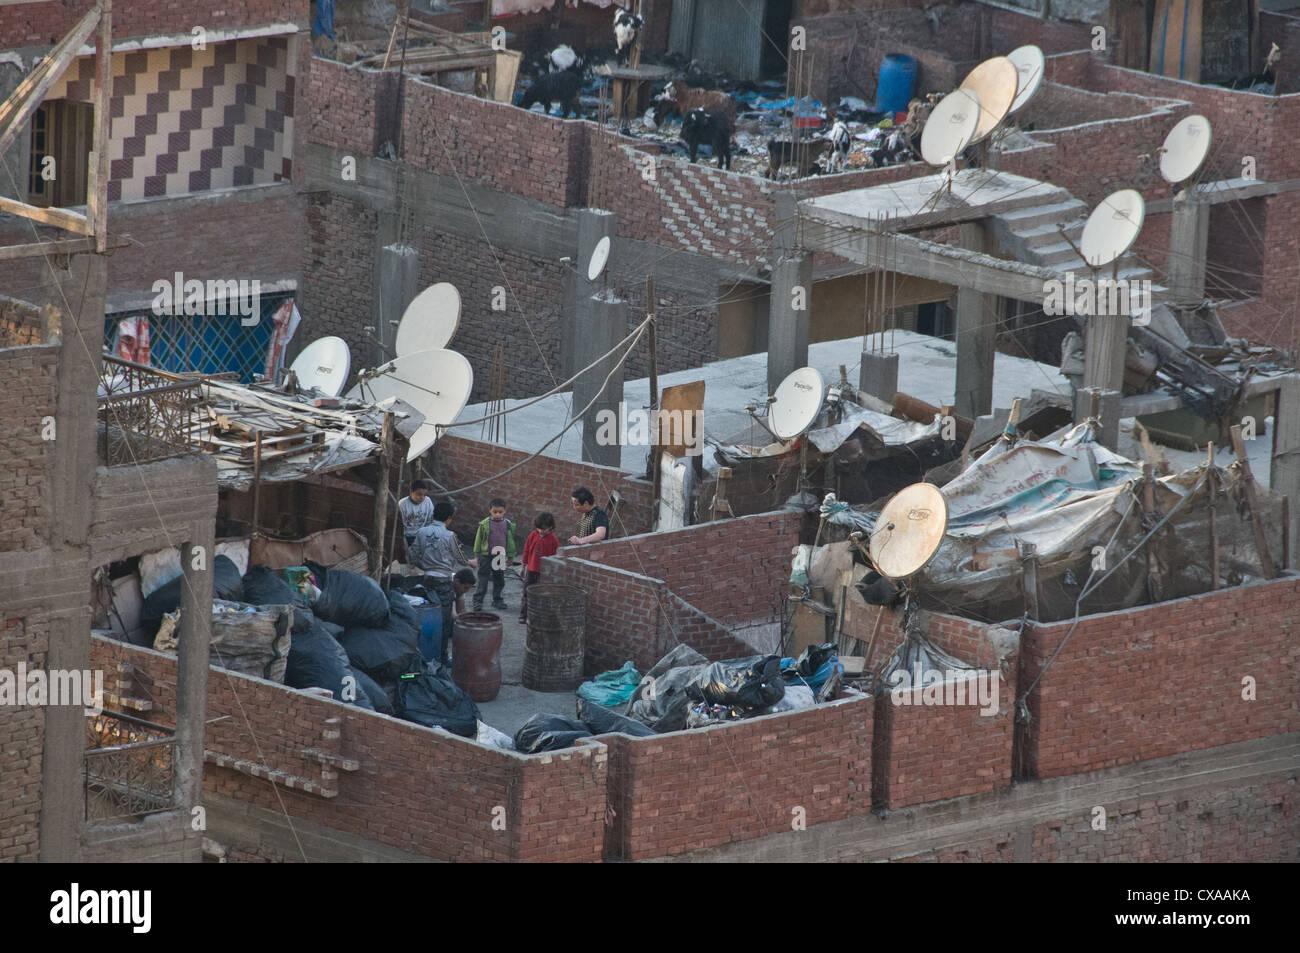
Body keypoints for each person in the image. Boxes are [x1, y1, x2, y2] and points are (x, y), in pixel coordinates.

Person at [408, 501, 478, 663]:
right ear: (449, 519)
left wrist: (425, 565)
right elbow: (460, 558)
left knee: (427, 618)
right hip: (443, 582)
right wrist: (470, 562)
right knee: (444, 622)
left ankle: (423, 656)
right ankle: (441, 658)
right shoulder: (449, 536)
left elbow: (412, 557)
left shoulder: (421, 532)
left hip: (427, 580)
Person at [472, 498, 518, 612]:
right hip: (485, 555)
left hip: (500, 556)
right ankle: (478, 601)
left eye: (500, 512)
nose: (497, 514)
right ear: (490, 511)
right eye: (495, 512)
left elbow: (510, 541)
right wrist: (476, 556)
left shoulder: (507, 524)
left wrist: (511, 556)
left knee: (499, 578)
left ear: (505, 511)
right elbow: (478, 540)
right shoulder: (484, 524)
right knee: (483, 578)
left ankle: (497, 600)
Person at [518, 512, 559, 623]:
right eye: (539, 528)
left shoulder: (553, 540)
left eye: (544, 529)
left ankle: (534, 617)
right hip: (531, 570)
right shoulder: (533, 535)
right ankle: (523, 615)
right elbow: (526, 551)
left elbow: (554, 558)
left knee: (540, 595)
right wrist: (523, 566)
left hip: (543, 573)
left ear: (550, 527)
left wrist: (551, 573)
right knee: (526, 593)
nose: (541, 531)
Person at [398, 480, 436, 549]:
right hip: (408, 536)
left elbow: (431, 520)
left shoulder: (428, 501)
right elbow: (400, 526)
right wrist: (404, 541)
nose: (422, 497)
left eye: (424, 495)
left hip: (423, 535)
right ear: (411, 491)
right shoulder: (402, 504)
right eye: (419, 494)